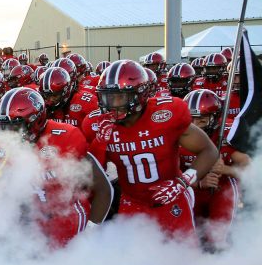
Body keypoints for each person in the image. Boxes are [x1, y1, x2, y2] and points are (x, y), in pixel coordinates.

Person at [88, 60, 219, 240]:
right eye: (108, 97)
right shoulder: (100, 124)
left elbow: (209, 151)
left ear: (140, 94)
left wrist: (183, 182)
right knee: (132, 264)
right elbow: (93, 175)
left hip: (172, 200)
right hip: (131, 203)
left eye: (120, 97)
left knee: (181, 261)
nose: (112, 104)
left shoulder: (166, 114)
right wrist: (100, 141)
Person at [0, 87, 113, 247]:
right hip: (34, 221)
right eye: (3, 127)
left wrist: (91, 232)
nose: (7, 135)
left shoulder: (66, 138)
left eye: (14, 127)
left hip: (69, 218)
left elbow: (103, 189)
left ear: (35, 121)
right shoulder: (3, 148)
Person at [181, 89, 250, 251]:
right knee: (189, 237)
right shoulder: (177, 135)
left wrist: (225, 169)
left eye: (202, 120)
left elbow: (251, 170)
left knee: (218, 239)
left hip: (222, 188)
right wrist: (198, 184)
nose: (195, 126)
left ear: (215, 119)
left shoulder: (226, 135)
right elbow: (170, 174)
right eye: (191, 120)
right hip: (191, 189)